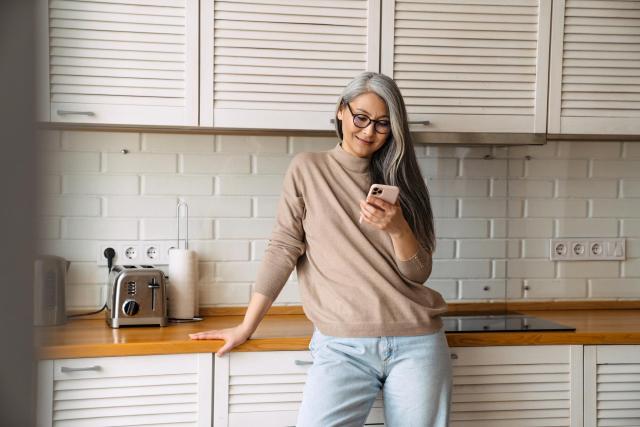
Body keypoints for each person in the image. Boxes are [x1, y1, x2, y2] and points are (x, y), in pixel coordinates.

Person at [189, 71, 451, 427]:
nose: (368, 131)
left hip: (417, 343)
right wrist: (247, 326)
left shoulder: (402, 180)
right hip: (342, 345)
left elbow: (418, 273)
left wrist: (398, 227)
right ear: (342, 111)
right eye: (361, 117)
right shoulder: (307, 169)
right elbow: (283, 248)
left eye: (383, 124)